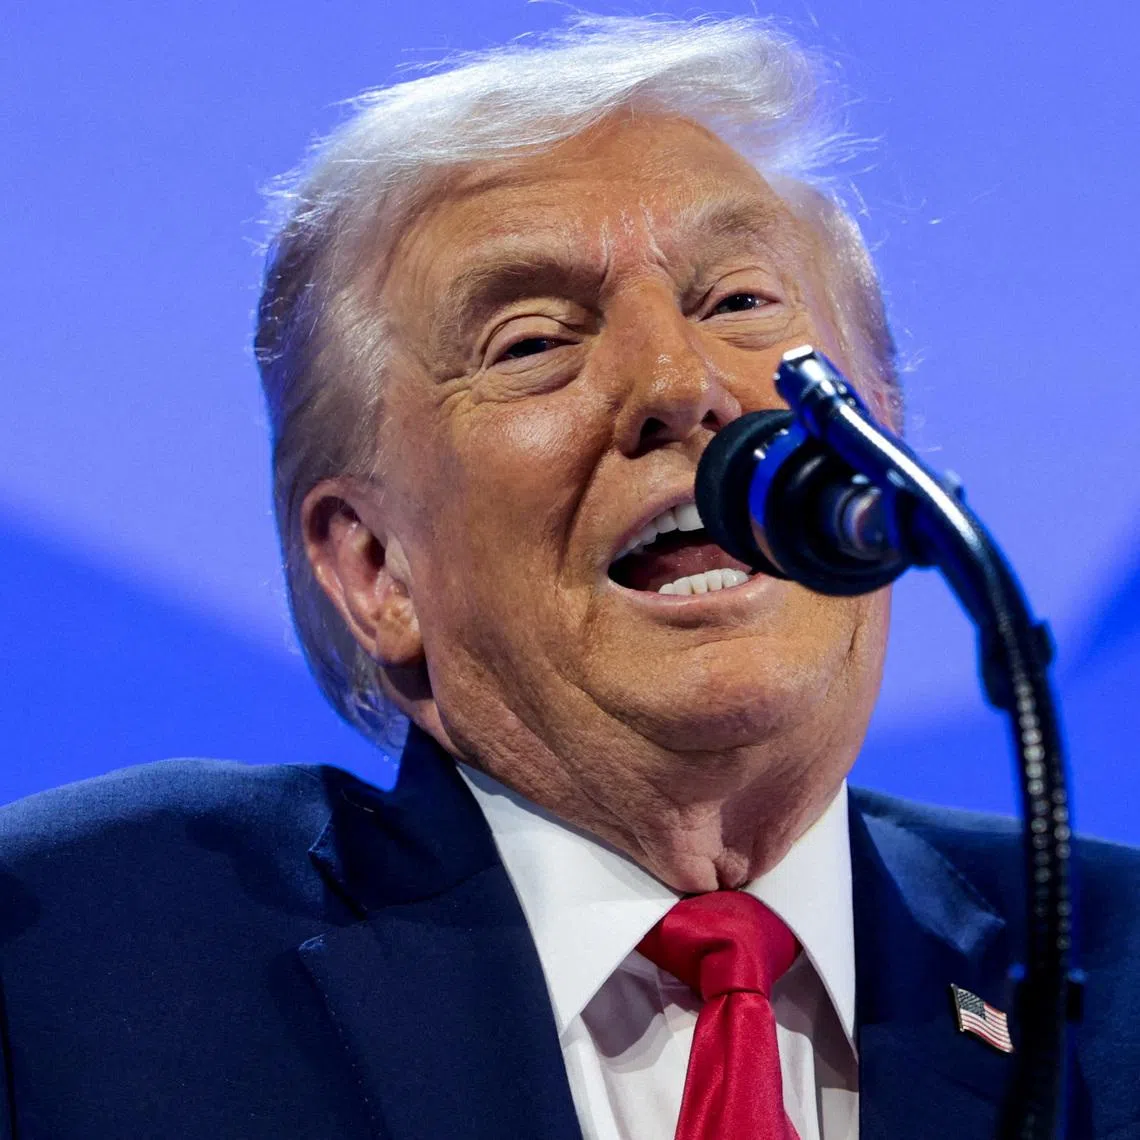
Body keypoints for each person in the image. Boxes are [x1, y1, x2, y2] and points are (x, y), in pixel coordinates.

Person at [0, 15, 1136, 1140]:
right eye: (533, 341)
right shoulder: (72, 966)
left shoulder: (1116, 979)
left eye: (740, 301)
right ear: (375, 565)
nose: (679, 382)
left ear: (887, 443)